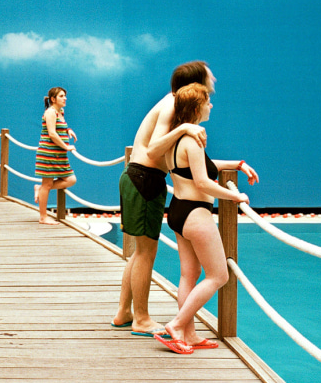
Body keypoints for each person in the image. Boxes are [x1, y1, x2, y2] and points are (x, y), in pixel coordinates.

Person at [110, 61, 219, 335]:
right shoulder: (172, 105)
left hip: (140, 177)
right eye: (208, 76)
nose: (213, 80)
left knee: (140, 251)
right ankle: (141, 318)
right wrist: (184, 129)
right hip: (144, 178)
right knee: (146, 252)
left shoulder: (172, 102)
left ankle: (124, 312)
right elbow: (153, 149)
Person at [156, 82, 259, 354]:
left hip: (178, 210)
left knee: (189, 274)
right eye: (207, 102)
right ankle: (177, 325)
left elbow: (203, 166)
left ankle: (188, 335)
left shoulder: (176, 138)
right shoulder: (192, 140)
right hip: (195, 213)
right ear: (196, 108)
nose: (211, 105)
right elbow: (202, 182)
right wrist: (235, 196)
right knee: (218, 275)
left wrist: (237, 164)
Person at [34, 87, 77, 224]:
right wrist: (66, 146)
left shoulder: (60, 111)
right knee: (47, 184)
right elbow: (52, 133)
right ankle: (43, 217)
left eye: (65, 96)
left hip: (59, 156)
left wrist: (68, 130)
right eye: (61, 96)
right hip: (49, 154)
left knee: (71, 179)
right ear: (53, 99)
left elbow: (60, 126)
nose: (65, 98)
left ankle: (39, 188)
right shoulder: (50, 112)